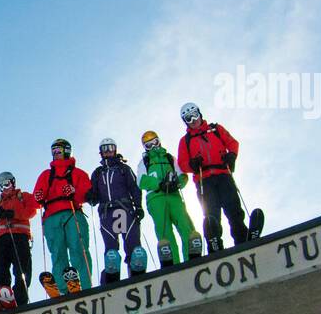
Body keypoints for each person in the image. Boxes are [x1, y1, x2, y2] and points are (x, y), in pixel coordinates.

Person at [176, 102, 247, 253]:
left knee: (233, 207)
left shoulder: (215, 129)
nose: (193, 120)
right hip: (204, 179)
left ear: (200, 113)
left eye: (195, 115)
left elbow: (232, 142)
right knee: (211, 213)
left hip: (223, 174)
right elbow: (182, 163)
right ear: (185, 122)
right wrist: (192, 164)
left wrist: (232, 155)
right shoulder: (185, 140)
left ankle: (242, 237)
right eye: (188, 118)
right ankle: (214, 243)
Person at [33, 139, 93, 295]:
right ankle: (62, 287)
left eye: (59, 151)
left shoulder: (78, 173)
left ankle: (84, 284)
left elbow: (87, 194)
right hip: (52, 216)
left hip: (72, 212)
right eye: (54, 151)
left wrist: (74, 192)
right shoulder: (46, 175)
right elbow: (36, 198)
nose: (56, 154)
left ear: (67, 151)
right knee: (57, 252)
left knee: (78, 248)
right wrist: (38, 197)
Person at [137, 130, 202, 266]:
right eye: (148, 145)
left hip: (173, 195)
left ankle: (191, 255)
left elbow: (182, 174)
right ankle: (172, 261)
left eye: (154, 142)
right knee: (163, 228)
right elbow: (141, 181)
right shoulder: (144, 161)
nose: (153, 147)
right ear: (145, 147)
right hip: (156, 198)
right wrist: (158, 184)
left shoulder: (169, 158)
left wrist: (177, 183)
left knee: (183, 221)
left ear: (159, 140)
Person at [86, 137, 146, 283]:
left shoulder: (123, 169)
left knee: (132, 242)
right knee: (111, 248)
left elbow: (134, 188)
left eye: (111, 148)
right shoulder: (98, 173)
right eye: (105, 149)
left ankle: (136, 270)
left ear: (115, 150)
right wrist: (91, 196)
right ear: (101, 153)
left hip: (124, 209)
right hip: (107, 212)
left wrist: (138, 206)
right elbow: (93, 193)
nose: (108, 152)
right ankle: (111, 275)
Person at [0, 171, 39, 306]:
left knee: (21, 267)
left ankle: (20, 297)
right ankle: (3, 294)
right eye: (1, 186)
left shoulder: (22, 196)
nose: (4, 188)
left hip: (19, 235)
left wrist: (13, 213)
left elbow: (32, 210)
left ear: (13, 182)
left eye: (6, 184)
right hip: (1, 238)